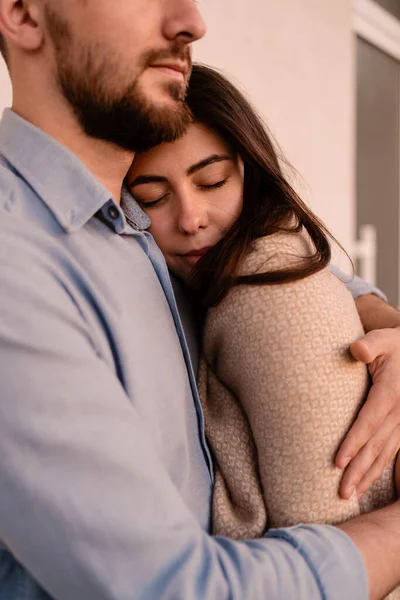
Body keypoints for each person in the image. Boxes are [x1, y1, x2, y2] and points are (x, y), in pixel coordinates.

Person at [0, 1, 400, 599]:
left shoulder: (139, 231)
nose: (191, 20)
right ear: (24, 13)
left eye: (213, 182)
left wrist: (386, 326)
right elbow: (176, 591)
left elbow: (290, 271)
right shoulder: (20, 270)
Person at [126, 64, 399, 558]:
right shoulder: (129, 266)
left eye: (211, 181)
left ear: (249, 172)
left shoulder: (267, 269)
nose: (190, 219)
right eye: (152, 198)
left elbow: (344, 284)